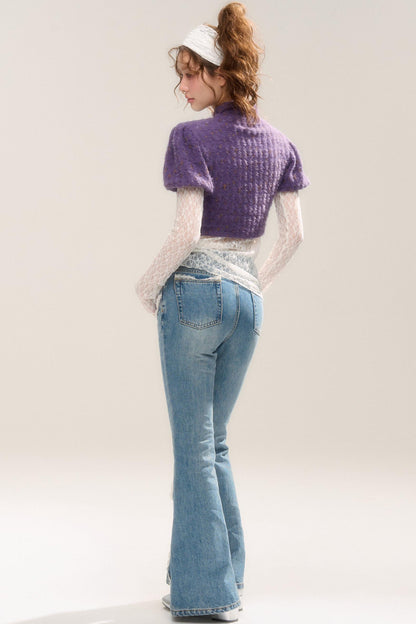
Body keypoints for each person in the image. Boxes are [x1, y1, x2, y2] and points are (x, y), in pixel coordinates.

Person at [135, 3, 310, 620]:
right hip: (247, 305)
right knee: (216, 445)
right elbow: (294, 235)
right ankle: (226, 576)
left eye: (189, 74)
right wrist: (251, 283)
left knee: (194, 450)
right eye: (180, 75)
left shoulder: (190, 139)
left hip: (194, 298)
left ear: (219, 73)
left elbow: (186, 233)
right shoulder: (280, 143)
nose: (182, 87)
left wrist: (147, 286)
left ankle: (207, 596)